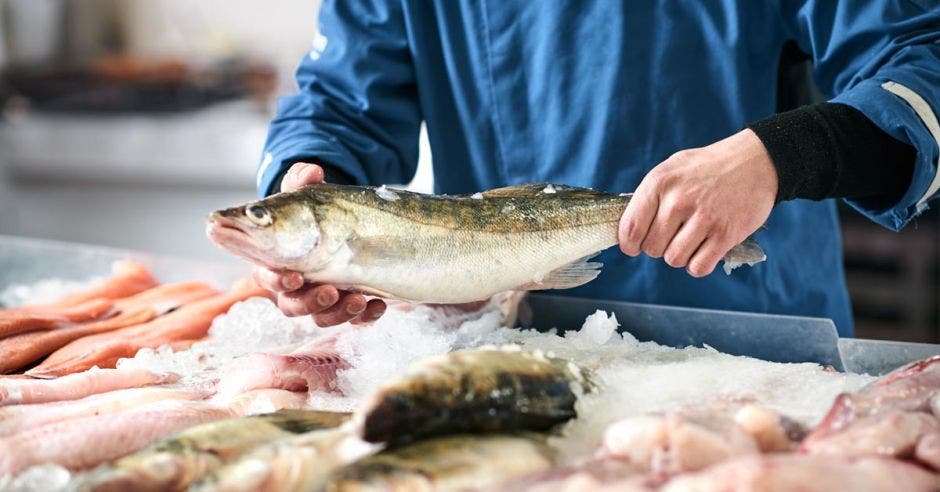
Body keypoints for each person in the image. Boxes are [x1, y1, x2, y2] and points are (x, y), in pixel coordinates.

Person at [252, 1, 939, 335]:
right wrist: (308, 183)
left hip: (749, 339)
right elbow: (341, 101)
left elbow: (921, 63)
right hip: (508, 342)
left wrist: (781, 155)